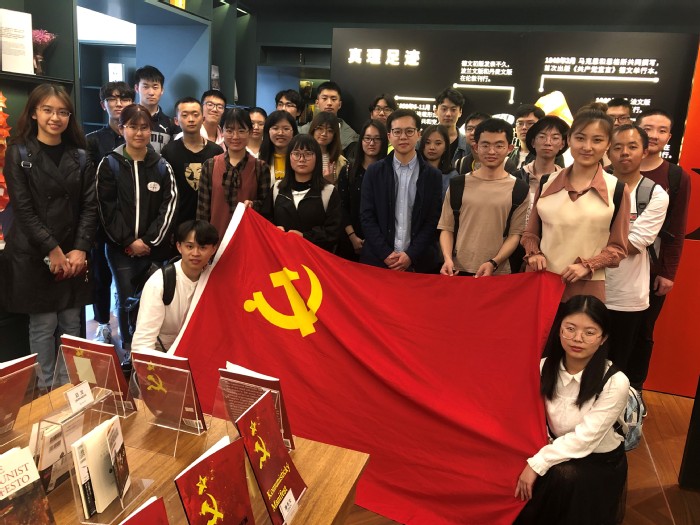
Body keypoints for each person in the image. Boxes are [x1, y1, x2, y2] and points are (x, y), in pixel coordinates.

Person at [4, 83, 97, 389]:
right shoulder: (18, 152)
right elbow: (23, 209)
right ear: (34, 113)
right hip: (34, 252)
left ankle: (74, 388)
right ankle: (46, 391)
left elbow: (89, 206)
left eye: (62, 112)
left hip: (73, 252)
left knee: (72, 324)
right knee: (43, 325)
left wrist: (80, 249)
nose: (55, 118)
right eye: (47, 110)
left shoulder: (81, 156)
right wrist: (52, 249)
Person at [514, 295, 629, 525]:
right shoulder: (543, 366)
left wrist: (537, 463)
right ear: (559, 330)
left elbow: (585, 440)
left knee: (562, 476)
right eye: (570, 328)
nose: (577, 338)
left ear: (603, 338)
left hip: (597, 460)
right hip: (552, 447)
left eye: (589, 332)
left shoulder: (615, 382)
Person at [521, 109, 631, 302]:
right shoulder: (547, 182)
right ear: (569, 140)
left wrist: (588, 265)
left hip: (586, 287)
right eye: (580, 138)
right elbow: (530, 234)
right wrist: (533, 254)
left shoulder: (617, 190)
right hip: (541, 281)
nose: (587, 147)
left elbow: (618, 249)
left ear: (608, 144)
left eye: (597, 140)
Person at [96, 103, 178, 357]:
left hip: (154, 249)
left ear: (151, 130)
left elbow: (169, 206)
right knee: (126, 299)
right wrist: (128, 241)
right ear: (122, 129)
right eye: (132, 127)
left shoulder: (162, 166)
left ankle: (150, 349)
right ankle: (130, 350)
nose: (139, 133)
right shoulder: (109, 164)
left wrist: (149, 241)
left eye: (144, 127)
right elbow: (105, 209)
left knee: (152, 299)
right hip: (120, 250)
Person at [631, 108, 691, 396]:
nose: (654, 135)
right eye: (648, 128)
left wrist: (668, 273)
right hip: (609, 267)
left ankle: (634, 392)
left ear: (669, 137)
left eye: (662, 130)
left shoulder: (675, 176)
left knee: (642, 332)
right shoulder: (612, 170)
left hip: (651, 269)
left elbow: (677, 229)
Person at [605, 124, 668, 378]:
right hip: (585, 289)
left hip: (625, 296)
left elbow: (633, 243)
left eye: (632, 147)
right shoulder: (592, 185)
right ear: (608, 151)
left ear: (644, 151)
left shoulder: (654, 194)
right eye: (617, 147)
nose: (624, 152)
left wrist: (589, 246)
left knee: (615, 368)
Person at [438, 118, 528, 277]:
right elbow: (447, 228)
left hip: (498, 272)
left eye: (499, 145)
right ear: (475, 147)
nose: (491, 151)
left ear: (509, 148)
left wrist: (494, 262)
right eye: (485, 145)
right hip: (457, 269)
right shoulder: (458, 184)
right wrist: (447, 258)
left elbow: (515, 235)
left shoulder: (519, 188)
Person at [360, 109, 442, 273]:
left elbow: (433, 220)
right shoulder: (374, 172)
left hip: (418, 263)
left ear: (418, 134)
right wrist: (385, 253)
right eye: (397, 132)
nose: (403, 137)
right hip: (378, 261)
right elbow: (366, 216)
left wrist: (411, 255)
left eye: (409, 131)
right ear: (389, 136)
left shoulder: (433, 175)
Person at [85, 81, 135, 344]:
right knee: (100, 277)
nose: (118, 103)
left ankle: (131, 328)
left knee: (131, 278)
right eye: (112, 99)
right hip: (102, 222)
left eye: (124, 98)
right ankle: (103, 323)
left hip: (132, 221)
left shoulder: (138, 135)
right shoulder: (93, 141)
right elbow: (88, 184)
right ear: (103, 104)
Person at [131, 220, 218, 352]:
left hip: (202, 351)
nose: (195, 253)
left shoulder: (217, 279)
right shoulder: (159, 282)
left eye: (203, 247)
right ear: (179, 247)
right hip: (163, 352)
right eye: (189, 246)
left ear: (213, 249)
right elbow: (142, 342)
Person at [197, 108, 271, 238]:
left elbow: (266, 209)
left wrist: (253, 205)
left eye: (241, 131)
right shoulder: (210, 165)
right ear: (222, 131)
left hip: (248, 239)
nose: (235, 137)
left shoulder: (260, 167)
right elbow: (202, 211)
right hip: (214, 239)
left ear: (250, 132)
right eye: (230, 131)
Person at [265, 134, 341, 252]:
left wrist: (305, 237)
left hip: (314, 258)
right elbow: (264, 220)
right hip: (281, 255)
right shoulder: (277, 189)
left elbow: (333, 232)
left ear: (317, 157)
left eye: (308, 154)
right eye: (296, 154)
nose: (301, 159)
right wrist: (274, 230)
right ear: (289, 157)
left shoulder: (328, 191)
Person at [161, 97, 223, 227]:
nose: (191, 119)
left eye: (195, 115)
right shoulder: (169, 151)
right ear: (176, 121)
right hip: (178, 221)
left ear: (203, 118)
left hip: (209, 221)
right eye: (185, 115)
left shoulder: (216, 151)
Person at [336, 120, 388, 260]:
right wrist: (353, 237)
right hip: (350, 239)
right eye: (367, 138)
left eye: (377, 139)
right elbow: (342, 207)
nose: (371, 143)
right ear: (361, 140)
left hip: (382, 243)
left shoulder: (390, 172)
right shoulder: (348, 170)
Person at [299, 81, 359, 153]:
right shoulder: (302, 132)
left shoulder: (351, 137)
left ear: (339, 104)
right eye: (324, 98)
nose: (329, 103)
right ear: (317, 103)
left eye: (333, 99)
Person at [133, 65, 178, 153]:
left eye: (155, 87)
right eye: (145, 87)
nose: (151, 92)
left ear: (162, 90)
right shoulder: (127, 120)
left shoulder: (171, 124)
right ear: (137, 88)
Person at [419, 124, 457, 199]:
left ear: (446, 147)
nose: (432, 147)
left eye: (438, 143)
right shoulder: (414, 171)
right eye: (427, 142)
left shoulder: (452, 176)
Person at [308, 112, 347, 185]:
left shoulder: (341, 162)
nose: (324, 134)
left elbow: (342, 189)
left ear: (334, 135)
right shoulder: (302, 157)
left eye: (329, 130)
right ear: (313, 130)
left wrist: (330, 183)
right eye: (320, 128)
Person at [259, 110, 298, 182]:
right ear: (268, 131)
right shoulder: (258, 160)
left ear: (294, 132)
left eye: (286, 129)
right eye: (275, 128)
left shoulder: (301, 159)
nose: (280, 133)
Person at [433, 88, 468, 166]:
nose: (448, 114)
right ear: (436, 111)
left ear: (460, 112)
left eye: (453, 109)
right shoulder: (422, 142)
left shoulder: (467, 144)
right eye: (444, 109)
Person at [507, 104, 545, 169]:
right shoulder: (508, 156)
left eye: (530, 123)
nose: (524, 127)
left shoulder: (551, 155)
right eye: (520, 123)